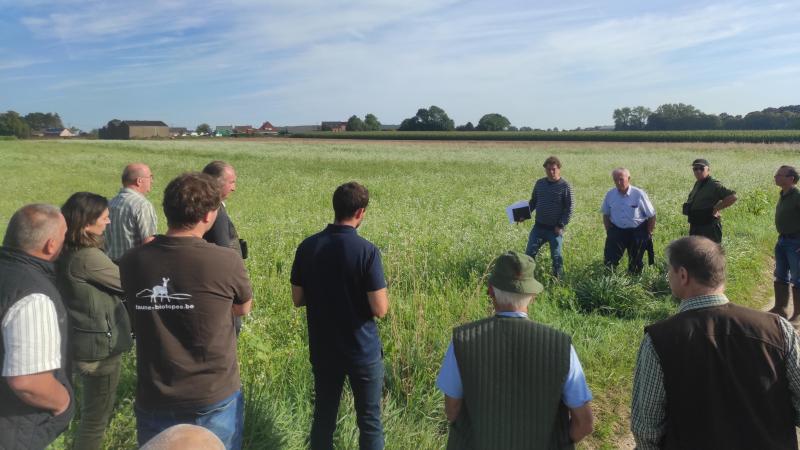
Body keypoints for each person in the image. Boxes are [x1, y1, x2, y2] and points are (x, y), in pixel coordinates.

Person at [120, 173, 254, 449]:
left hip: (155, 392)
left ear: (167, 210)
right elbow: (243, 308)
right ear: (208, 215)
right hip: (212, 393)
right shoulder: (226, 260)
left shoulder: (133, 260)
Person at [631, 236, 800, 449]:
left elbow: (646, 429)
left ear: (683, 275)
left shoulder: (658, 340)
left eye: (669, 271)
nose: (668, 277)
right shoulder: (778, 329)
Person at [436, 251, 594, 449]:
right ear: (533, 297)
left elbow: (452, 411)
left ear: (491, 291)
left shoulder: (463, 340)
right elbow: (585, 423)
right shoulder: (561, 346)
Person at [290, 181, 389, 450]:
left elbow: (297, 299)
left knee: (323, 418)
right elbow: (380, 309)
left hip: (324, 349)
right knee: (369, 421)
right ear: (360, 213)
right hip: (362, 351)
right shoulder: (367, 251)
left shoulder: (308, 246)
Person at [56, 192, 133, 450]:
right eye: (104, 218)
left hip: (78, 342)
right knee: (94, 420)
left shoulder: (64, 249)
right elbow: (128, 284)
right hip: (99, 351)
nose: (108, 222)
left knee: (80, 410)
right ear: (87, 222)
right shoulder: (87, 257)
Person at [0, 204, 74, 449]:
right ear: (50, 245)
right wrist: (63, 402)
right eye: (64, 235)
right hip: (12, 430)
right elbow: (28, 382)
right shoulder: (33, 295)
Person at [202, 161, 245, 335]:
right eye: (231, 182)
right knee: (231, 328)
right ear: (217, 183)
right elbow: (223, 251)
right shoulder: (216, 211)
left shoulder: (201, 205)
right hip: (221, 286)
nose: (234, 188)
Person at [523, 156, 574, 278]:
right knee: (529, 254)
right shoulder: (540, 183)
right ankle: (526, 278)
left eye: (554, 169)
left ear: (559, 169)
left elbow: (569, 209)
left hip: (555, 230)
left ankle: (558, 281)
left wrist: (561, 225)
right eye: (548, 169)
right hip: (538, 227)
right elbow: (533, 201)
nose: (551, 172)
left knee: (556, 257)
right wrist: (523, 215)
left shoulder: (565, 186)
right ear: (545, 169)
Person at [601, 168, 656, 274]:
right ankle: (609, 282)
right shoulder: (610, 195)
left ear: (629, 178)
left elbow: (652, 215)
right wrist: (610, 232)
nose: (618, 182)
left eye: (621, 179)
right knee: (610, 260)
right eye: (615, 180)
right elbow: (606, 214)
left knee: (635, 262)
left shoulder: (639, 194)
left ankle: (634, 283)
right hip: (617, 231)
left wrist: (648, 233)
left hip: (637, 231)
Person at [105, 163, 157, 262]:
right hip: (133, 267)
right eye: (150, 177)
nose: (152, 181)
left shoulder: (110, 203)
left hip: (111, 265)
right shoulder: (142, 205)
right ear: (139, 181)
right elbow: (149, 243)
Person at [770, 165, 800, 324]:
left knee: (798, 278)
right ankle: (780, 308)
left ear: (791, 179)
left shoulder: (797, 196)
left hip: (796, 242)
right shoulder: (783, 194)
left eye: (780, 175)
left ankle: (797, 315)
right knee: (780, 274)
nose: (776, 176)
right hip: (782, 240)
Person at [682, 158, 737, 244]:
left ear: (708, 170)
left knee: (711, 254)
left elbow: (732, 197)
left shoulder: (714, 184)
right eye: (695, 169)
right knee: (695, 253)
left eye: (701, 168)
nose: (698, 171)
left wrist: (717, 208)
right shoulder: (698, 183)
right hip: (696, 225)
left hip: (708, 227)